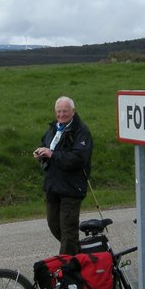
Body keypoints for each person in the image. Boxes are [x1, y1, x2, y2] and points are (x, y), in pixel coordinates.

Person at [33, 96, 93, 255]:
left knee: (68, 230)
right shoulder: (53, 128)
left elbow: (79, 158)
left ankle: (68, 269)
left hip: (71, 188)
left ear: (73, 112)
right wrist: (40, 152)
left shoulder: (81, 131)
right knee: (54, 225)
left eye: (65, 111)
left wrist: (52, 154)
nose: (61, 115)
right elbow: (45, 145)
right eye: (58, 112)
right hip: (53, 186)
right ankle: (81, 256)